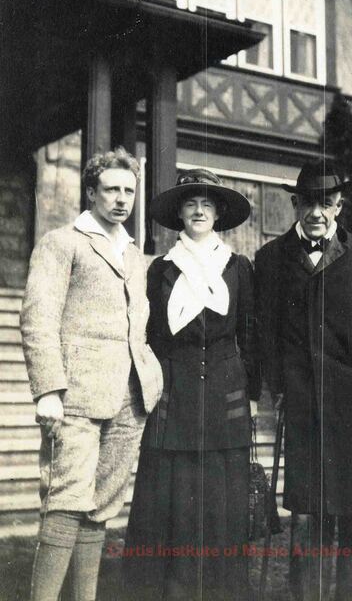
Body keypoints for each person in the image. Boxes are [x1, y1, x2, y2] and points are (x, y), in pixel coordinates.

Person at [255, 159, 352, 601]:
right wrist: (280, 386)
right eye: (307, 203)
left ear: (339, 206)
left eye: (325, 203)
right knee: (308, 518)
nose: (316, 212)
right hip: (307, 410)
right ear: (295, 205)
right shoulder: (270, 259)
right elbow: (266, 333)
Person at [20, 147, 163, 601]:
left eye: (128, 190)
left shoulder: (133, 253)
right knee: (67, 499)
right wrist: (48, 389)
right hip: (77, 394)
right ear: (90, 192)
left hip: (129, 397)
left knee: (102, 505)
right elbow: (38, 316)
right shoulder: (63, 242)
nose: (121, 199)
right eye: (111, 189)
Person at [124, 168, 261, 601]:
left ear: (218, 212)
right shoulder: (161, 269)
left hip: (225, 395)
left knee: (223, 505)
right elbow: (148, 336)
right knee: (174, 502)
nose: (198, 210)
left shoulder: (238, 268)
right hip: (175, 394)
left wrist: (253, 396)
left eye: (207, 203)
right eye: (190, 202)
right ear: (179, 213)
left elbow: (251, 335)